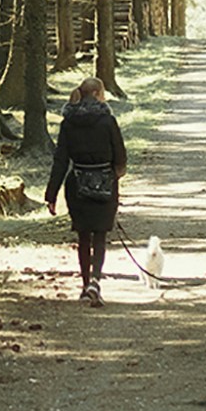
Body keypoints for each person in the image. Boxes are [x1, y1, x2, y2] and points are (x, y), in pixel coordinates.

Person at [43, 76, 127, 302]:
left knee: (83, 236)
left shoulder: (68, 122)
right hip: (105, 182)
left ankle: (84, 284)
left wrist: (51, 195)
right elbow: (120, 154)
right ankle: (96, 281)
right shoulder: (108, 120)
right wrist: (118, 172)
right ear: (99, 94)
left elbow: (60, 160)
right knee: (100, 235)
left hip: (77, 184)